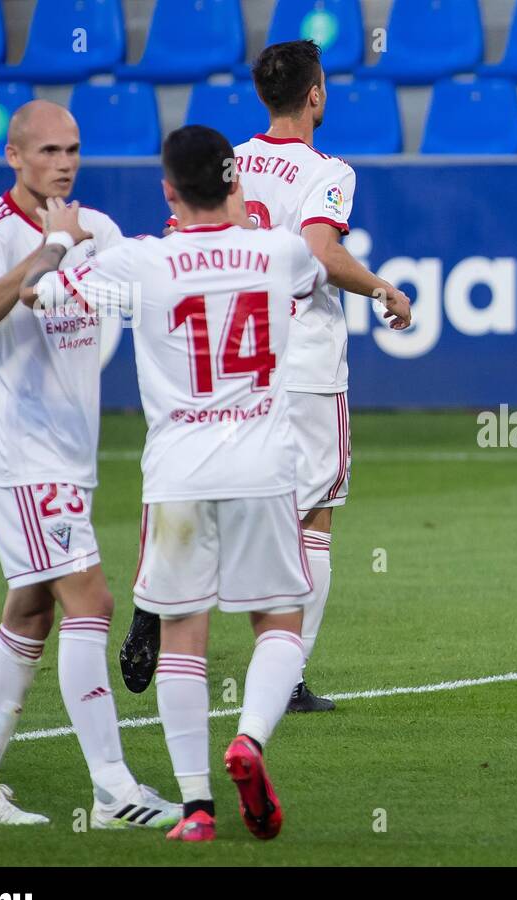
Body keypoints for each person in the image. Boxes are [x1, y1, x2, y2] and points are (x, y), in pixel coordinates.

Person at [119, 40, 412, 713]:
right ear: (314, 96)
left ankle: (156, 599)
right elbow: (318, 251)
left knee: (229, 487)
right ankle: (289, 675)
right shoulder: (328, 169)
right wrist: (381, 289)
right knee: (313, 516)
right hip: (305, 359)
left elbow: (181, 237)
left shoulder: (229, 164)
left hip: (235, 361)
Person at [0, 100, 178, 828]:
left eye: (73, 148)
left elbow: (144, 279)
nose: (65, 162)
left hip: (70, 458)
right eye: (48, 151)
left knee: (31, 612)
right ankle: (112, 790)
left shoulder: (96, 228)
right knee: (93, 603)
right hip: (25, 455)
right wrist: (46, 253)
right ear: (14, 157)